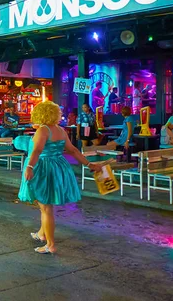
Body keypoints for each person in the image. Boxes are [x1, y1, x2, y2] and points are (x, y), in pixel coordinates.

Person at [18, 101, 102, 254]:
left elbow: (36, 151)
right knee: (46, 202)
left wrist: (29, 167)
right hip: (58, 167)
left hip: (43, 167)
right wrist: (89, 164)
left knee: (45, 207)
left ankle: (50, 244)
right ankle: (42, 234)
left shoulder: (42, 130)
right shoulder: (60, 130)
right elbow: (73, 150)